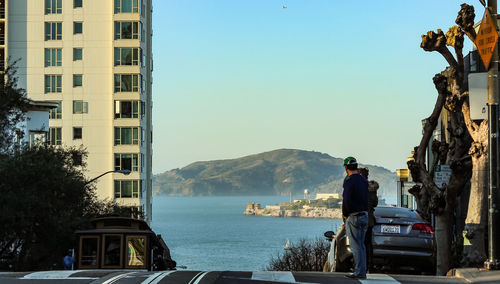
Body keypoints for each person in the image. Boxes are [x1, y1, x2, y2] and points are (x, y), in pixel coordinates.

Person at [342, 156, 369, 280]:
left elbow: (346, 199)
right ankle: (362, 271)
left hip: (354, 216)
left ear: (346, 168)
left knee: (355, 246)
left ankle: (358, 273)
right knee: (362, 245)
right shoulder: (364, 180)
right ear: (356, 166)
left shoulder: (349, 181)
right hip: (365, 215)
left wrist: (345, 213)